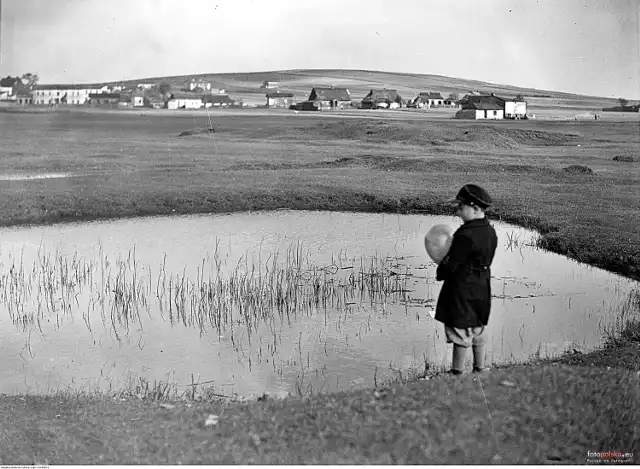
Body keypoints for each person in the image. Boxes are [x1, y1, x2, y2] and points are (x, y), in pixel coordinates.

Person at [435, 184, 498, 375]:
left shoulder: (465, 235)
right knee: (477, 326)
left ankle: (457, 372)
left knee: (459, 328)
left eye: (461, 208)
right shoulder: (490, 231)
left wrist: (441, 271)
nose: (458, 212)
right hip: (482, 285)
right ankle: (480, 367)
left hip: (462, 287)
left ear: (475, 208)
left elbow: (452, 263)